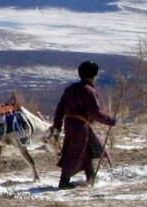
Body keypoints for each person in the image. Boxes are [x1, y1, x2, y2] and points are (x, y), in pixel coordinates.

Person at [50, 61, 116, 189]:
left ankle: (91, 177)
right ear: (93, 75)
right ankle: (64, 182)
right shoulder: (89, 91)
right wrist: (110, 121)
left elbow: (60, 109)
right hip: (80, 126)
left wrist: (57, 125)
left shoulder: (70, 89)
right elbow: (96, 113)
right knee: (74, 152)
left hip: (69, 124)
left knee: (86, 151)